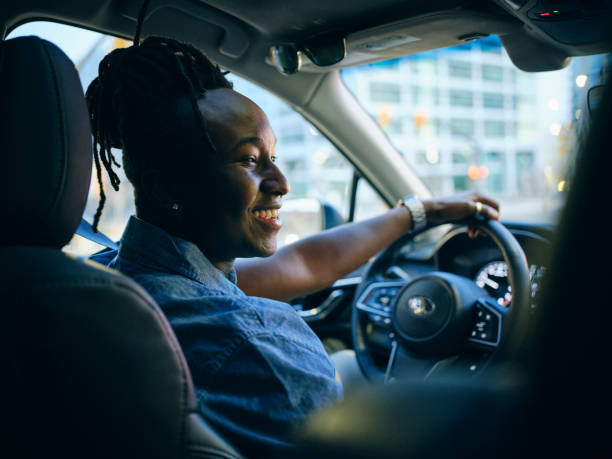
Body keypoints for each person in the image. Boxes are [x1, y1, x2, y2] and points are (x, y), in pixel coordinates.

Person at [86, 36, 499, 456]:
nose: (281, 183)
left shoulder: (111, 277)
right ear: (167, 186)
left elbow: (300, 264)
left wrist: (418, 212)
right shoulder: (254, 342)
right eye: (249, 159)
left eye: (274, 157)